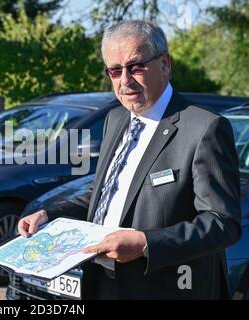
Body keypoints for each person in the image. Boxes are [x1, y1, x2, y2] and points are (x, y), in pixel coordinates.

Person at [18, 20, 241, 299]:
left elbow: (222, 223)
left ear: (165, 64)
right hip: (101, 281)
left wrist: (146, 243)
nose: (125, 80)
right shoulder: (116, 118)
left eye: (136, 66)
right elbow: (105, 195)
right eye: (115, 70)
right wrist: (50, 215)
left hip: (164, 289)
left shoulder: (204, 127)